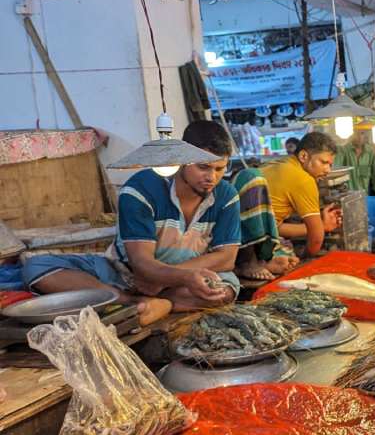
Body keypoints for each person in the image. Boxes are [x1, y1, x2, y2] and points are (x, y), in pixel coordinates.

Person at [23, 120, 242, 314]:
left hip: (184, 276)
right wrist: (174, 277)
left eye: (219, 169)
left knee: (223, 293)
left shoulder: (226, 196)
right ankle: (136, 301)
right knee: (36, 268)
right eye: (203, 167)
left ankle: (137, 304)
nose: (211, 177)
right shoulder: (141, 189)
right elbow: (141, 263)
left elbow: (226, 258)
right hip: (129, 276)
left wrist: (174, 276)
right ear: (181, 160)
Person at [260, 132, 341, 257]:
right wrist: (304, 257)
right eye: (323, 162)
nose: (328, 170)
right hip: (254, 246)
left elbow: (275, 227)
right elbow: (316, 238)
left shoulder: (275, 165)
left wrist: (321, 225)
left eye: (330, 165)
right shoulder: (304, 179)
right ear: (303, 156)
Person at [335, 128, 375, 195]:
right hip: (347, 195)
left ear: (365, 135)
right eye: (356, 133)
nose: (359, 137)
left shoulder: (370, 151)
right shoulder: (343, 150)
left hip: (364, 195)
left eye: (362, 133)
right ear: (351, 135)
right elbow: (336, 170)